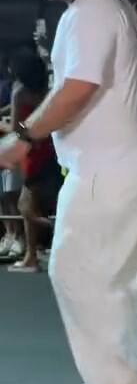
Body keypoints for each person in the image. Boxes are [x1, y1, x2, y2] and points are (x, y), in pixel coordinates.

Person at [0, 0, 137, 384]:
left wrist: (22, 138)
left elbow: (77, 89)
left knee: (76, 272)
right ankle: (121, 376)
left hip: (105, 168)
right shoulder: (109, 3)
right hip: (121, 162)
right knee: (113, 278)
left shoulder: (90, 11)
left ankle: (116, 383)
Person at [5, 50, 61, 273]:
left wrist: (10, 125)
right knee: (33, 203)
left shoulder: (19, 91)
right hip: (49, 147)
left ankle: (32, 256)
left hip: (32, 152)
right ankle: (33, 254)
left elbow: (16, 128)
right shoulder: (47, 89)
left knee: (26, 206)